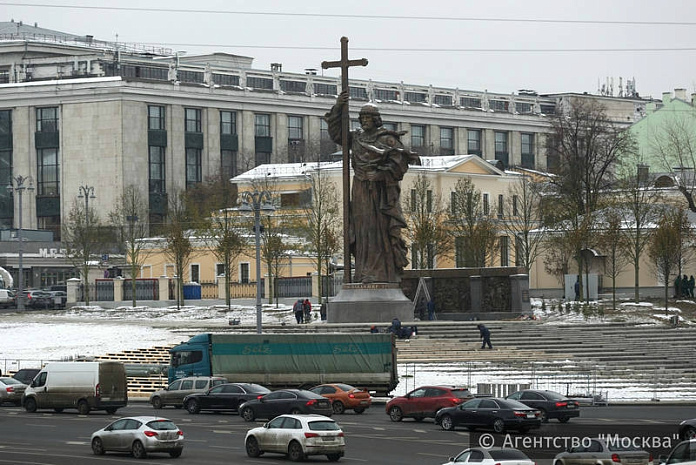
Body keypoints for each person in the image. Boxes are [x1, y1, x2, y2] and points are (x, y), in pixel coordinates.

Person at [325, 91, 421, 284]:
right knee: (361, 230)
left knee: (378, 230)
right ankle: (363, 271)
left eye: (368, 117)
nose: (365, 121)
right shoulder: (357, 138)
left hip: (380, 193)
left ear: (376, 119)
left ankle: (380, 273)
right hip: (360, 187)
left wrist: (380, 175)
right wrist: (338, 108)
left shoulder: (386, 139)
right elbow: (337, 134)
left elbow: (400, 164)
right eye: (362, 118)